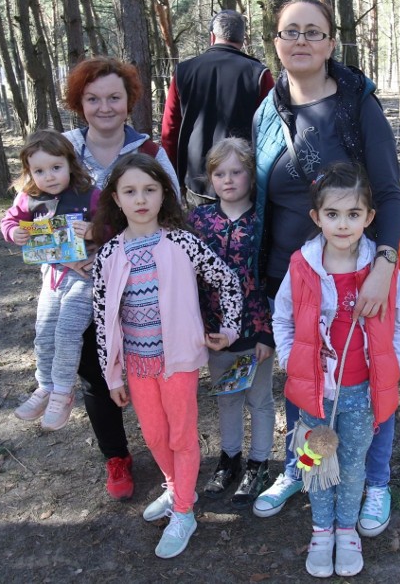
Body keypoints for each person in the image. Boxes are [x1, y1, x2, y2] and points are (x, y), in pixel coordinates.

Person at [252, 0, 400, 539]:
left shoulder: (357, 103)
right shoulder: (267, 110)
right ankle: (303, 469)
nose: (300, 41)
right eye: (289, 31)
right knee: (304, 378)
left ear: (330, 44)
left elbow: (387, 192)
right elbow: (261, 198)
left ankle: (376, 483)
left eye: (312, 32)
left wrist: (384, 265)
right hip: (293, 271)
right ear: (275, 40)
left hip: (359, 269)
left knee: (370, 379)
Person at [90, 153, 242, 559]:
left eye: (150, 190)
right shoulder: (108, 256)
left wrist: (229, 329)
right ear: (117, 200)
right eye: (130, 191)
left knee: (181, 435)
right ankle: (176, 487)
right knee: (155, 436)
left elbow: (226, 279)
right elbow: (103, 318)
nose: (140, 199)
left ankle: (184, 511)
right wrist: (112, 375)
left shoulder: (181, 242)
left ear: (164, 195)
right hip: (138, 366)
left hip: (178, 362)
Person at [272, 164, 400, 577]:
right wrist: (288, 359)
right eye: (332, 214)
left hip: (363, 392)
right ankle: (321, 530)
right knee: (314, 461)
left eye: (354, 214)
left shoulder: (380, 270)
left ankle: (346, 530)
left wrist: (394, 367)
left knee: (352, 465)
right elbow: (282, 317)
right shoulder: (302, 265)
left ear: (370, 218)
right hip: (314, 391)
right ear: (316, 218)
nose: (343, 224)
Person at [62, 56, 181, 501]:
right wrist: (57, 253)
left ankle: (171, 449)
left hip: (143, 281)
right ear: (80, 102)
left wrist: (104, 232)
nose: (104, 107)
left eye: (114, 97)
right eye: (93, 98)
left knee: (155, 368)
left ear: (129, 101)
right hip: (79, 283)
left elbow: (173, 214)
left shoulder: (149, 153)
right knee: (94, 369)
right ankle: (116, 456)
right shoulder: (62, 149)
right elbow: (34, 211)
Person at [187, 138, 275, 506]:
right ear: (209, 178)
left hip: (255, 330)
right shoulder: (199, 220)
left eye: (236, 171)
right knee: (227, 399)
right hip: (215, 331)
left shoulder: (264, 220)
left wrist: (268, 333)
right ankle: (230, 459)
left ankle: (259, 464)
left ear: (250, 175)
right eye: (219, 173)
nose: (228, 180)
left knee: (259, 399)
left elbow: (274, 278)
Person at [1, 130, 100, 431]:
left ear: (70, 163)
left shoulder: (88, 193)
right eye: (39, 170)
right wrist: (13, 232)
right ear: (29, 172)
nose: (49, 176)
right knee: (43, 332)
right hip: (53, 276)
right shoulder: (29, 197)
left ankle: (62, 391)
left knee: (68, 331)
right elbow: (10, 220)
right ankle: (45, 386)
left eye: (56, 167)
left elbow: (114, 224)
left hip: (85, 276)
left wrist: (95, 229)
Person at [161, 9, 274, 207]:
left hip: (197, 180)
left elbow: (170, 130)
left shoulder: (183, 72)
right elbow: (270, 133)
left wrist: (174, 177)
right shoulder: (258, 74)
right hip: (243, 182)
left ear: (212, 36)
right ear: (243, 39)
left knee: (199, 235)